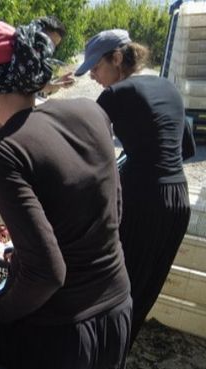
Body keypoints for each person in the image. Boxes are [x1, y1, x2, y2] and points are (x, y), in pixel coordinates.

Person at [0, 21, 132, 369]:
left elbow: (48, 272)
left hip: (61, 336)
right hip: (116, 310)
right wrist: (27, 253)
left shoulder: (1, 150)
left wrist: (0, 306)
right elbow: (111, 209)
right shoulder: (88, 111)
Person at [75, 29, 191, 346]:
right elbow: (186, 150)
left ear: (116, 58)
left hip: (143, 201)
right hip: (178, 201)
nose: (96, 77)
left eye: (96, 68)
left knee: (116, 286)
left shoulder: (116, 95)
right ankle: (121, 350)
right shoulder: (167, 86)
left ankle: (106, 355)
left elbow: (89, 152)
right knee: (146, 285)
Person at [32, 15, 75, 98]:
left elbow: (43, 89)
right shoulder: (19, 59)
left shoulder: (41, 62)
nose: (50, 49)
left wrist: (59, 83)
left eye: (54, 46)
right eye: (49, 43)